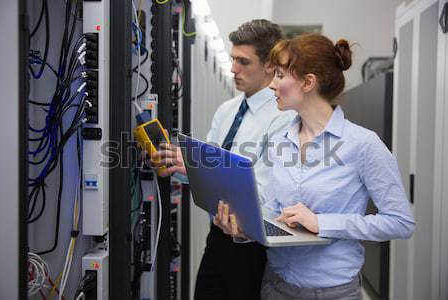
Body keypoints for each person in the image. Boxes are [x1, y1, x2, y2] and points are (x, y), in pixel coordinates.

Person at [214, 33, 415, 300]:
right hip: (275, 286)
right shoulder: (278, 140)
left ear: (308, 82)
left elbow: (400, 222)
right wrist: (244, 229)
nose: (272, 85)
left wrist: (322, 223)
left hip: (333, 292)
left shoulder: (362, 144)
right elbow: (274, 211)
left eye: (280, 75)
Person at [151, 20, 295, 299]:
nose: (233, 69)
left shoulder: (283, 118)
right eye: (233, 59)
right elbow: (209, 175)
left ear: (270, 65)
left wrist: (196, 164)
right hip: (217, 236)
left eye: (243, 62)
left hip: (253, 246)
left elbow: (263, 191)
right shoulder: (227, 110)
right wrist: (177, 165)